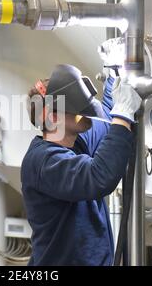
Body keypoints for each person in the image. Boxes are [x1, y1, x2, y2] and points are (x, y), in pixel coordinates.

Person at [21, 64, 142, 266]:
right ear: (52, 117)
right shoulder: (43, 161)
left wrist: (114, 71)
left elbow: (104, 123)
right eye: (76, 110)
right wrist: (123, 114)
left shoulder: (76, 144)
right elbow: (98, 177)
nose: (85, 114)